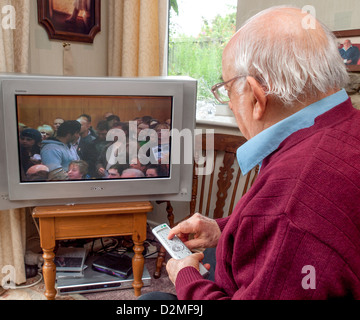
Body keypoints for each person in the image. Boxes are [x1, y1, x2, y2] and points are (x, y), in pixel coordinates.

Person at [141, 6, 360, 300]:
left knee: (152, 300)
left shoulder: (292, 202)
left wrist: (186, 277)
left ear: (257, 97)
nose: (230, 105)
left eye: (227, 89)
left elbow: (287, 224)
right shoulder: (346, 126)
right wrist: (224, 228)